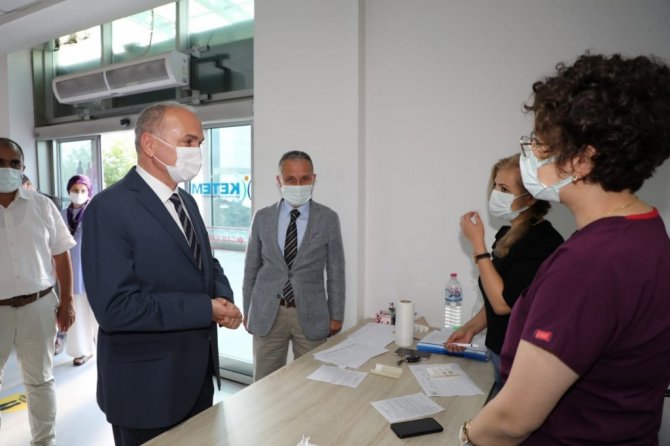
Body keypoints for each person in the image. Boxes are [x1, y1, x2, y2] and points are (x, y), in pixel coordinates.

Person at [459, 53, 670, 445]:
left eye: (539, 143)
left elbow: (512, 419)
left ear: (583, 160)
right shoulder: (646, 231)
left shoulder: (592, 262)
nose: (529, 154)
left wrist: (466, 436)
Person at [81, 103, 243, 446]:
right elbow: (116, 309)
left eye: (199, 143)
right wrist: (205, 309)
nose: (197, 152)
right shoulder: (108, 209)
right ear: (150, 144)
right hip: (146, 389)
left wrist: (222, 298)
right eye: (188, 141)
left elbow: (205, 263)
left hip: (197, 378)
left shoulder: (186, 202)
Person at [445, 153, 563, 393]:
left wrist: (478, 244)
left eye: (505, 189)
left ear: (530, 197)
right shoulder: (507, 235)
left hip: (522, 359)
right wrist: (470, 328)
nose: (495, 194)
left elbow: (503, 304)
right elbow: (495, 291)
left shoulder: (544, 243)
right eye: (496, 186)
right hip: (498, 350)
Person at [243, 150, 345, 381]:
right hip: (267, 311)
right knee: (265, 383)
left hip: (311, 313)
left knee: (311, 382)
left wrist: (336, 313)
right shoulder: (262, 217)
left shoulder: (328, 218)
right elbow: (251, 268)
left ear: (313, 179)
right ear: (279, 180)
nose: (298, 185)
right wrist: (248, 310)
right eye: (291, 179)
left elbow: (336, 270)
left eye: (304, 178)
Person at [0, 137, 76, 445]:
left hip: (39, 305)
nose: (7, 169)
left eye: (14, 163)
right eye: (0, 163)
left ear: (23, 168)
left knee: (41, 381)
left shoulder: (41, 205)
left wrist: (67, 301)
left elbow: (61, 254)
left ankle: (44, 442)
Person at [60, 174, 98, 366]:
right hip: (72, 269)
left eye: (83, 190)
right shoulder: (61, 214)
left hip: (93, 267)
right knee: (78, 309)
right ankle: (82, 350)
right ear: (69, 191)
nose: (79, 193)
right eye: (75, 190)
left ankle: (104, 347)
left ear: (89, 192)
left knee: (98, 310)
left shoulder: (94, 211)